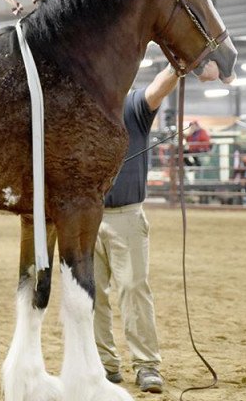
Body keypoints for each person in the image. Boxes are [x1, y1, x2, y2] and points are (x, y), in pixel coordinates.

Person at [92, 61, 220, 394]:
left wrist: (178, 64)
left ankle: (146, 365)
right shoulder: (84, 110)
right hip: (86, 218)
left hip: (126, 217)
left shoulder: (134, 106)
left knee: (134, 289)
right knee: (92, 296)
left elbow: (160, 86)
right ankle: (104, 364)